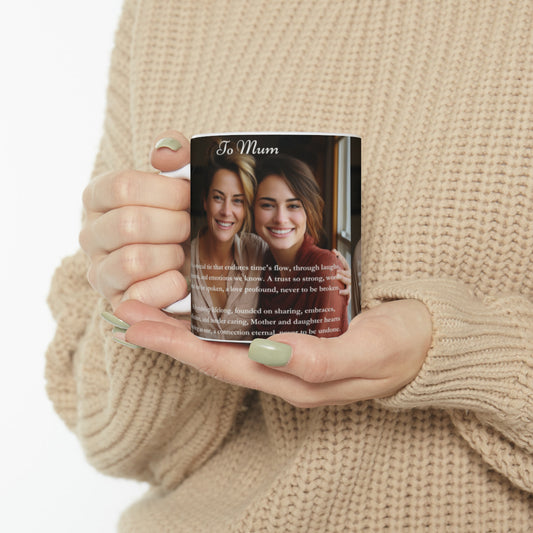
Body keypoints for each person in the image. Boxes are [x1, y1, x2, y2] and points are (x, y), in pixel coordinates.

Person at [46, 1, 533, 531]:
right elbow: (104, 430)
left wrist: (457, 350)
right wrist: (155, 301)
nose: (276, 219)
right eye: (265, 206)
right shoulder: (167, 15)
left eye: (292, 207)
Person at [252, 154, 349, 338]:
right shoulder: (260, 263)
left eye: (294, 206)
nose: (280, 218)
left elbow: (326, 358)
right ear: (253, 210)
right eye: (267, 205)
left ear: (309, 211)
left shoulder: (326, 268)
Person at [190, 141, 267, 340]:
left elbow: (298, 260)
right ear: (204, 201)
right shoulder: (184, 258)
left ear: (245, 208)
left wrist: (334, 268)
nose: (226, 211)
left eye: (237, 201)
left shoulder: (258, 250)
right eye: (218, 197)